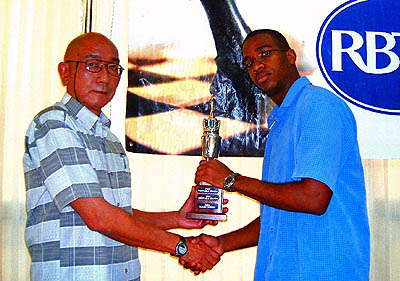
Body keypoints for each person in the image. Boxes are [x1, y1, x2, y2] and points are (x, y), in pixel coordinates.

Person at [23, 32, 225, 281]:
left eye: (113, 68)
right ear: (65, 72)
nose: (104, 77)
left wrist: (176, 218)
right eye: (93, 65)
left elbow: (117, 213)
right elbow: (98, 216)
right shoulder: (54, 124)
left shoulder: (109, 139)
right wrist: (182, 247)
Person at [183, 29, 370, 280]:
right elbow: (279, 214)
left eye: (265, 53)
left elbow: (313, 198)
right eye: (248, 62)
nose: (257, 65)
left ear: (290, 56)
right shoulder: (281, 122)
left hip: (324, 271)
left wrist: (232, 180)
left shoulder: (319, 106)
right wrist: (221, 244)